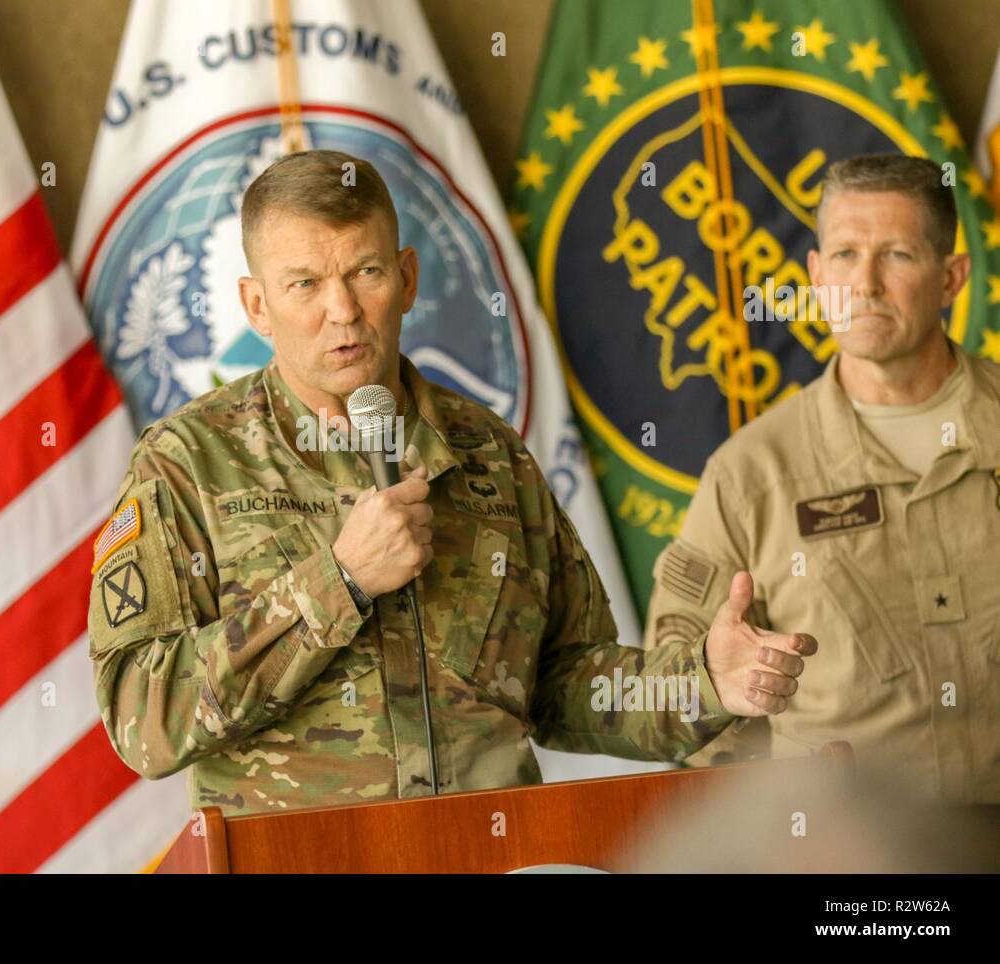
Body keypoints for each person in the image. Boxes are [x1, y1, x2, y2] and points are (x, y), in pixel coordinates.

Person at [89, 149, 816, 815]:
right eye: (304, 284)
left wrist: (703, 684)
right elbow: (142, 719)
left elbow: (564, 684)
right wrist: (337, 582)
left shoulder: (489, 454)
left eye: (365, 273)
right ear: (257, 307)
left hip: (486, 853)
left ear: (405, 279)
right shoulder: (187, 463)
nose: (341, 311)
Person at [644, 153, 1000, 803]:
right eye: (843, 255)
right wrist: (713, 681)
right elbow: (675, 707)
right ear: (814, 274)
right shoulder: (751, 475)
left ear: (950, 278)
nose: (863, 284)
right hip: (853, 861)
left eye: (896, 255)